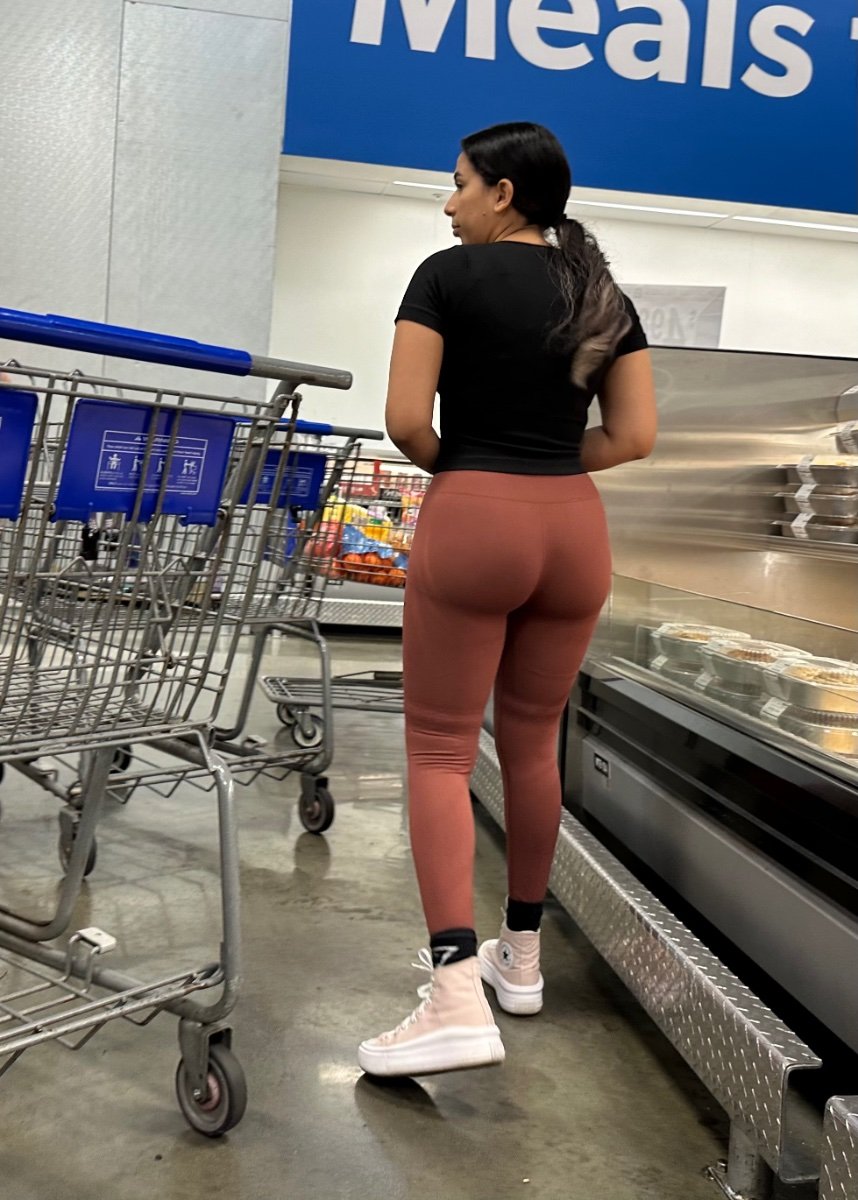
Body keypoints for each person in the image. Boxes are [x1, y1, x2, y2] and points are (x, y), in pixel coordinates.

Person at [358, 122, 657, 1078]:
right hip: (575, 530)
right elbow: (636, 436)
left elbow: (406, 421)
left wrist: (476, 471)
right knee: (532, 744)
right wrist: (548, 464)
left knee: (441, 752)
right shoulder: (601, 292)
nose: (448, 203)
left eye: (459, 184)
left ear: (503, 194)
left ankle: (452, 997)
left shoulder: (445, 277)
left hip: (475, 515)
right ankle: (519, 959)